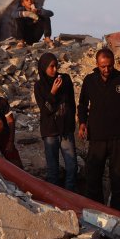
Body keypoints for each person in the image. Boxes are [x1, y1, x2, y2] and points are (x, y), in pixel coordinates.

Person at [78, 48, 120, 209]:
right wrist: (82, 123)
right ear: (97, 64)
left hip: (119, 137)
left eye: (109, 66)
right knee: (93, 177)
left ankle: (117, 214)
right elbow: (82, 104)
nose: (106, 70)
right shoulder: (90, 80)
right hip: (97, 137)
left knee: (119, 178)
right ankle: (96, 212)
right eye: (103, 66)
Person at [35, 52, 77, 191]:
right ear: (43, 67)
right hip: (50, 131)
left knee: (72, 167)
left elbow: (71, 103)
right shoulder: (39, 85)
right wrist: (53, 92)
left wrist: (71, 124)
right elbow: (45, 110)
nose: (54, 70)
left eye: (56, 66)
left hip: (66, 130)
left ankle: (70, 197)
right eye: (51, 67)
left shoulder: (65, 79)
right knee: (53, 170)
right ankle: (56, 201)